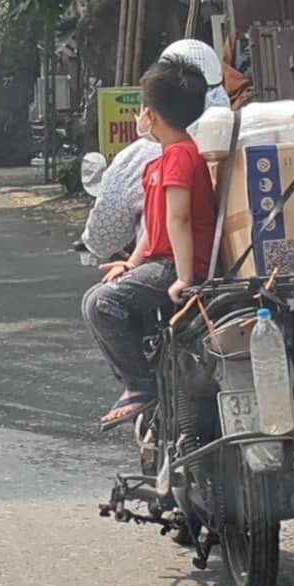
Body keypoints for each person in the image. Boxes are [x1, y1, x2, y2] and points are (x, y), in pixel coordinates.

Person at [82, 57, 215, 430]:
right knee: (95, 297)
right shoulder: (161, 161)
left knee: (104, 304)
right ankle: (146, 382)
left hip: (175, 265)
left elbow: (180, 220)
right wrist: (131, 263)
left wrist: (184, 277)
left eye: (143, 106)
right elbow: (153, 229)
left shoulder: (180, 158)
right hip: (158, 260)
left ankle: (141, 387)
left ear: (151, 115)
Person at [81, 38, 229, 260]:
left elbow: (104, 238)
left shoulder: (145, 158)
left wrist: (182, 278)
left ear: (151, 112)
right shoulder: (241, 135)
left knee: (104, 296)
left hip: (174, 270)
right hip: (223, 264)